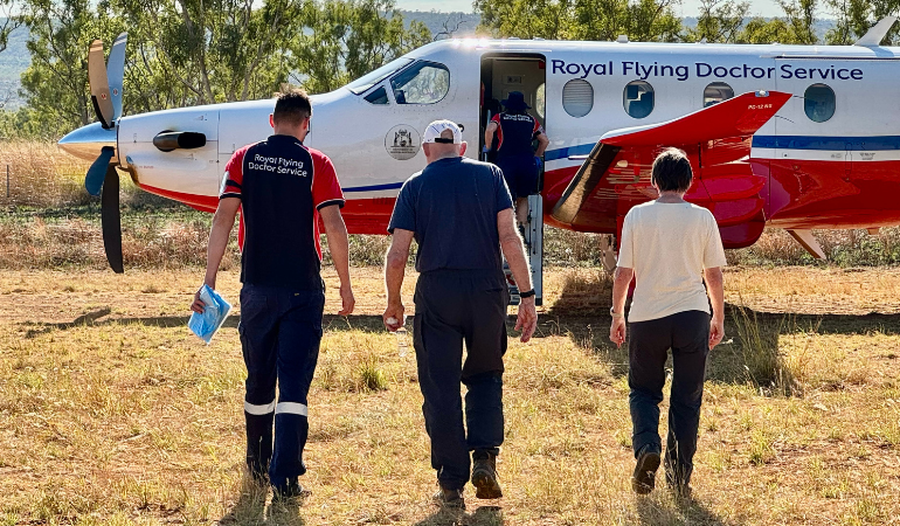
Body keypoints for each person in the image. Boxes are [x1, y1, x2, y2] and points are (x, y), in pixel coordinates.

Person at [191, 88, 355, 502]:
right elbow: (333, 227)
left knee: (259, 381)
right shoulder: (317, 163)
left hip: (257, 287)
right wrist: (346, 284)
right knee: (294, 384)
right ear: (306, 125)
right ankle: (286, 478)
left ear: (271, 121)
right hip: (302, 287)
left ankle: (256, 463)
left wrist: (209, 282)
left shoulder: (244, 159)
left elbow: (222, 221)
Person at [383, 119, 537, 510]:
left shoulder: (414, 185)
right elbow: (509, 236)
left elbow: (398, 253)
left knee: (440, 385)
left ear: (427, 149)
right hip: (486, 290)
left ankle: (451, 483)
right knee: (486, 374)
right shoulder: (491, 175)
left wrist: (394, 301)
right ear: (463, 148)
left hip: (437, 292)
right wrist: (527, 294)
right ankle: (484, 457)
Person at [608, 148, 726, 498]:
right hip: (692, 315)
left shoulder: (637, 216)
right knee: (687, 400)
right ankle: (679, 479)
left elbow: (623, 273)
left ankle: (647, 448)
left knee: (643, 391)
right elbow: (714, 275)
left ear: (654, 181)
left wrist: (617, 314)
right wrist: (717, 315)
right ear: (688, 182)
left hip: (647, 316)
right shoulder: (703, 217)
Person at [483, 91, 550, 226]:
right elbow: (545, 140)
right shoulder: (531, 120)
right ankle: (521, 227)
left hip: (506, 162)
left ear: (507, 105)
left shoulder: (500, 117)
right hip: (527, 163)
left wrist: (488, 146)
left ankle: (506, 229)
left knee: (506, 198)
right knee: (523, 198)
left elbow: (490, 130)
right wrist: (537, 156)